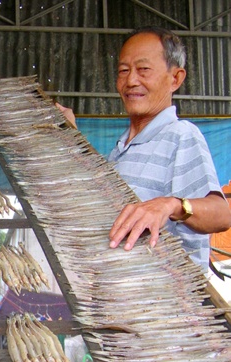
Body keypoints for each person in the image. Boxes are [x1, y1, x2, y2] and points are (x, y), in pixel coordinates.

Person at [57, 26, 231, 272]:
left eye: (143, 70)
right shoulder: (120, 151)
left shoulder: (180, 135)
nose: (131, 81)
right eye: (123, 71)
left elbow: (222, 214)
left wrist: (170, 205)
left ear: (175, 78)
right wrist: (70, 137)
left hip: (167, 295)